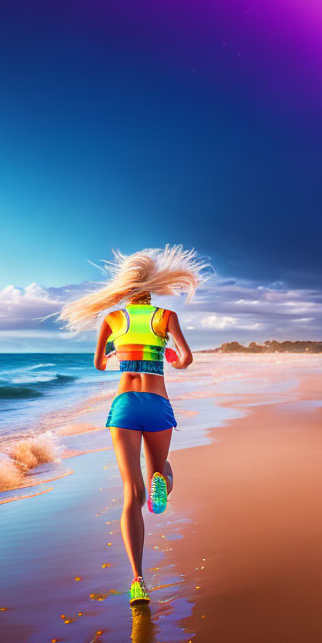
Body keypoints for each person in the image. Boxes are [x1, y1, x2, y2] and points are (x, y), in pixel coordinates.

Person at [59, 245, 209, 606]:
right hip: (157, 406)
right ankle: (164, 480)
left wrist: (114, 354)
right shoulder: (165, 316)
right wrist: (171, 357)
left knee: (131, 494)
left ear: (126, 288)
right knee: (159, 476)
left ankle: (138, 581)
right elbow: (186, 359)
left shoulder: (112, 319)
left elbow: (98, 365)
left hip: (124, 407)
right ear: (154, 286)